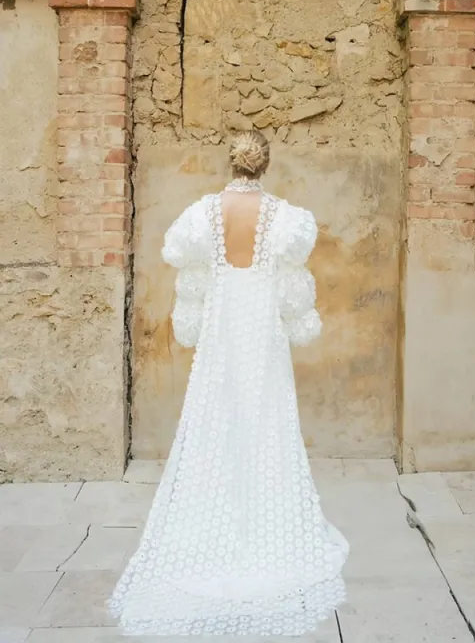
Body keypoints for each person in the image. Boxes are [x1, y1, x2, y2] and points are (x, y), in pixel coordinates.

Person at [108, 130, 349, 637]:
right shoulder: (286, 218)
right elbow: (291, 288)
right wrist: (300, 323)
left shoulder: (201, 215)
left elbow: (188, 273)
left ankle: (213, 520)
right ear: (265, 165)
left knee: (214, 416)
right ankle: (266, 525)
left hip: (222, 330)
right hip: (260, 331)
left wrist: (190, 323)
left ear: (232, 163)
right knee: (267, 420)